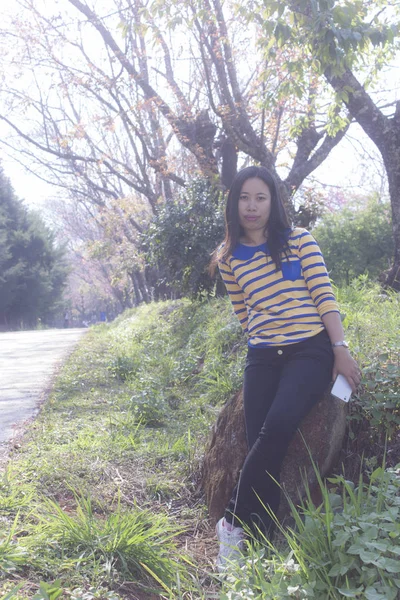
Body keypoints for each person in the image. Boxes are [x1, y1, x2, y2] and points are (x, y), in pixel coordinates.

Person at [210, 166, 361, 571]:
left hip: (309, 352)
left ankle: (230, 523)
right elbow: (243, 312)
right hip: (262, 356)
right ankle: (258, 541)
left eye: (261, 197)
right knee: (263, 445)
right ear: (234, 203)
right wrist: (264, 337)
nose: (252, 206)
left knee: (276, 429)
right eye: (244, 198)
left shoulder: (299, 241)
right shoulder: (228, 257)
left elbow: (324, 296)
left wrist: (339, 348)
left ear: (273, 202)